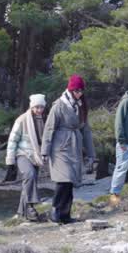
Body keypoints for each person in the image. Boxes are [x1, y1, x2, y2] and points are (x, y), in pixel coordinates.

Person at [41, 75, 95, 224]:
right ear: (70, 89)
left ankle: (65, 214)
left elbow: (86, 130)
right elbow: (49, 128)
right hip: (59, 147)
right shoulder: (59, 105)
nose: (79, 93)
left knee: (70, 181)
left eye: (81, 91)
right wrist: (44, 151)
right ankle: (54, 212)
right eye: (76, 90)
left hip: (74, 146)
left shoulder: (80, 105)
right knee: (62, 180)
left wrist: (91, 153)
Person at [5, 94, 47, 221]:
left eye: (41, 107)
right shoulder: (22, 119)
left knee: (29, 182)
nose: (39, 110)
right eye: (37, 107)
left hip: (36, 155)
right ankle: (30, 207)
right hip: (22, 154)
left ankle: (22, 213)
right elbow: (12, 140)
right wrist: (10, 160)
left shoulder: (44, 119)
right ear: (32, 106)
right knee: (29, 175)